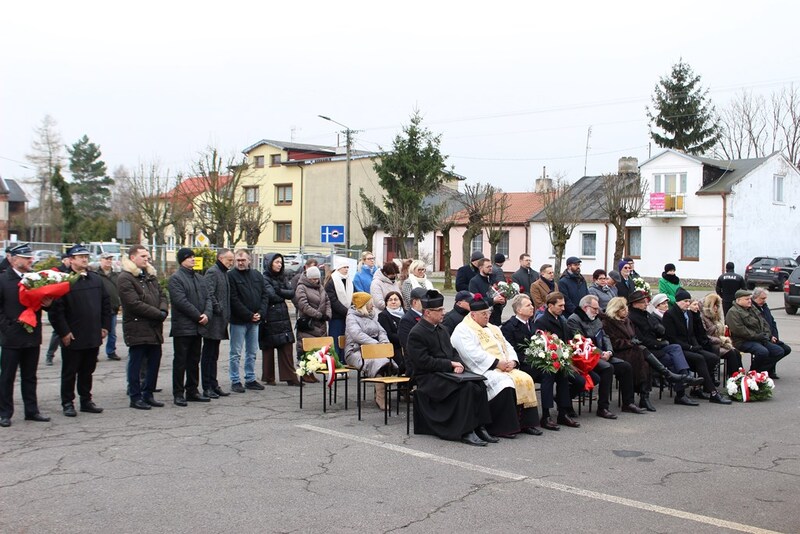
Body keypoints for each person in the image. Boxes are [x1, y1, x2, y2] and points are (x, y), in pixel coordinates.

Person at [405, 289, 496, 446]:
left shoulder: (442, 329)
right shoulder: (416, 333)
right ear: (427, 312)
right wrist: (449, 364)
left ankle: (480, 426)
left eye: (442, 309)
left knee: (479, 383)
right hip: (428, 377)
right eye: (439, 310)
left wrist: (458, 363)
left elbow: (452, 351)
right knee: (466, 387)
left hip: (447, 372)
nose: (443, 312)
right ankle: (466, 431)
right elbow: (423, 362)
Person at [451, 296, 540, 438]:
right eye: (484, 314)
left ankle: (526, 424)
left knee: (526, 378)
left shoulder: (493, 328)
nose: (487, 316)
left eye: (488, 313)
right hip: (483, 369)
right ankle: (504, 428)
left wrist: (512, 361)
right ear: (473, 315)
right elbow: (471, 354)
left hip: (504, 366)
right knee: (505, 384)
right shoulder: (463, 330)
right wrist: (497, 363)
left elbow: (507, 346)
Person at [48, 244, 112, 417]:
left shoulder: (95, 279)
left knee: (87, 370)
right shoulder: (63, 281)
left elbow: (106, 304)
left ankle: (86, 400)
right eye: (80, 256)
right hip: (73, 335)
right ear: (70, 260)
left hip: (92, 334)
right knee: (70, 372)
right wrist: (64, 332)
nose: (84, 259)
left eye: (86, 256)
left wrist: (105, 326)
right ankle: (68, 402)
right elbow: (56, 311)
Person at [501, 295, 573, 431]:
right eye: (528, 305)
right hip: (521, 365)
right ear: (518, 309)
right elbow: (511, 350)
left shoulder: (532, 324)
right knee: (548, 372)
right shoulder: (509, 327)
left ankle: (563, 412)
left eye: (531, 305)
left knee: (561, 370)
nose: (532, 307)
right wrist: (533, 359)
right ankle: (545, 415)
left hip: (536, 362)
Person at [566, 294, 644, 415]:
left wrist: (609, 351)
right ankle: (603, 407)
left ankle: (628, 403)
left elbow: (605, 336)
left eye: (598, 309)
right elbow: (582, 342)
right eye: (594, 309)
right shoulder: (574, 320)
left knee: (626, 367)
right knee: (607, 368)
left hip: (601, 354)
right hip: (585, 357)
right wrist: (600, 353)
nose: (597, 312)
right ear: (585, 308)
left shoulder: (595, 318)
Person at [0, 244, 51, 427]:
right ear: (14, 259)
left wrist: (48, 302)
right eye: (26, 257)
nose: (30, 260)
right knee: (7, 377)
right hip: (11, 337)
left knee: (30, 376)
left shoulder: (34, 278)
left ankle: (32, 410)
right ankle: (4, 413)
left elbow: (43, 304)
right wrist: (8, 328)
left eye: (30, 257)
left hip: (31, 336)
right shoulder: (3, 280)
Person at [628, 290, 703, 407]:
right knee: (673, 359)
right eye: (643, 302)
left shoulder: (646, 314)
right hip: (647, 349)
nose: (646, 304)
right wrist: (659, 343)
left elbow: (661, 330)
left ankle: (684, 379)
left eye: (646, 301)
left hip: (657, 346)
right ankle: (682, 388)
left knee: (675, 348)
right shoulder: (633, 317)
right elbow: (642, 339)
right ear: (634, 303)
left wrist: (659, 332)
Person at [118, 245, 168, 410]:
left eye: (148, 256)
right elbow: (133, 304)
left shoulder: (150, 276)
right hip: (137, 327)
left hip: (154, 328)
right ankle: (136, 396)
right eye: (143, 256)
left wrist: (163, 309)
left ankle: (148, 394)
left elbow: (162, 295)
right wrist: (157, 313)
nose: (147, 259)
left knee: (154, 362)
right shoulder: (125, 278)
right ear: (133, 258)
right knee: (137, 363)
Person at [663, 288, 731, 404]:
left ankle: (698, 388)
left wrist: (695, 346)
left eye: (689, 301)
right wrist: (690, 348)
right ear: (677, 301)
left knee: (712, 357)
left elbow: (693, 334)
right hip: (679, 349)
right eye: (685, 301)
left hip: (691, 346)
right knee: (699, 359)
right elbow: (672, 338)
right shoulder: (670, 315)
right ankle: (713, 393)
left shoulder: (688, 313)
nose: (687, 304)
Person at [167, 248, 210, 406]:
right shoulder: (176, 279)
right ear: (182, 260)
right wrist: (198, 316)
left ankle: (192, 390)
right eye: (189, 257)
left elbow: (208, 298)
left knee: (194, 360)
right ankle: (178, 393)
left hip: (198, 327)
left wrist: (207, 314)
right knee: (180, 361)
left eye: (193, 256)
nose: (193, 259)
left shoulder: (199, 278)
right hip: (183, 327)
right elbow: (180, 301)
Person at [601, 296, 654, 411]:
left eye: (626, 309)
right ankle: (666, 374)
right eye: (623, 309)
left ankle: (644, 398)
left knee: (645, 362)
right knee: (641, 354)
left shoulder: (627, 320)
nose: (626, 311)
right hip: (620, 352)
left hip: (632, 350)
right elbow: (614, 343)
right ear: (616, 310)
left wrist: (633, 340)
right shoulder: (608, 323)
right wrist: (630, 342)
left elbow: (633, 335)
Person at [344, 292, 394, 409]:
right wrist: (376, 344)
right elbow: (357, 335)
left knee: (389, 361)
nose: (373, 306)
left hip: (374, 349)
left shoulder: (372, 315)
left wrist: (384, 343)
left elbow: (381, 331)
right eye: (370, 303)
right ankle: (380, 398)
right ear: (364, 304)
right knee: (378, 362)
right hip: (355, 351)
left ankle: (380, 393)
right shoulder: (351, 317)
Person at [228, 249, 269, 393]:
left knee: (252, 352)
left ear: (249, 260)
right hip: (238, 321)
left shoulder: (257, 275)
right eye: (237, 260)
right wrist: (249, 315)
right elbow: (233, 299)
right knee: (236, 352)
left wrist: (260, 313)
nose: (240, 263)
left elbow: (265, 295)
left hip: (255, 321)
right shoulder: (231, 276)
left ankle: (250, 378)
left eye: (243, 260)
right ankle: (235, 380)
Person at [726, 289, 787, 375]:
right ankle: (753, 372)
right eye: (746, 299)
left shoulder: (752, 308)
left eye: (750, 299)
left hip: (758, 338)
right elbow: (740, 330)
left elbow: (764, 323)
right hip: (742, 341)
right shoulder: (733, 312)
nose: (749, 301)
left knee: (779, 351)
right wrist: (758, 336)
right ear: (738, 300)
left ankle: (758, 371)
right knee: (762, 352)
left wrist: (767, 334)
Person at [199, 248, 233, 399]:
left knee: (214, 355)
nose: (231, 263)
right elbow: (209, 293)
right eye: (229, 260)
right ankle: (207, 386)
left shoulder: (224, 273)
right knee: (208, 355)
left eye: (232, 260)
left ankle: (214, 384)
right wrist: (218, 308)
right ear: (220, 258)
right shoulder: (213, 272)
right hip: (213, 321)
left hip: (221, 321)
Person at [261, 253, 296, 388]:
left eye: (280, 262)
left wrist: (279, 291)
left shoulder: (283, 277)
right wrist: (282, 293)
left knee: (286, 345)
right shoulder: (265, 278)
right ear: (269, 263)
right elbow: (271, 296)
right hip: (269, 316)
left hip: (282, 315)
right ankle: (268, 377)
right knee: (269, 347)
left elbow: (291, 293)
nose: (279, 265)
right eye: (276, 262)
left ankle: (290, 376)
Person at [293, 265, 330, 381]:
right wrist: (318, 314)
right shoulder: (301, 287)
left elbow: (327, 301)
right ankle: (304, 373)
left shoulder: (320, 287)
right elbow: (303, 305)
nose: (315, 281)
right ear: (308, 278)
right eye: (313, 279)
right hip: (308, 322)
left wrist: (328, 314)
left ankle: (311, 372)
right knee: (306, 348)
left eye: (317, 278)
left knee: (316, 349)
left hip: (320, 323)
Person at [701, 293, 744, 378]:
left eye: (717, 306)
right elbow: (704, 335)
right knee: (731, 353)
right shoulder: (702, 316)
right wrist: (719, 337)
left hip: (718, 342)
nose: (716, 308)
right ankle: (734, 378)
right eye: (714, 306)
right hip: (709, 344)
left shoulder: (715, 315)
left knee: (736, 352)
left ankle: (739, 376)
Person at [751, 287, 792, 378]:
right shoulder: (752, 308)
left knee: (786, 349)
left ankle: (768, 369)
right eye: (762, 298)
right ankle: (758, 371)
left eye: (765, 298)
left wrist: (774, 336)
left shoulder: (765, 307)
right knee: (777, 351)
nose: (764, 301)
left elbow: (772, 323)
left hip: (770, 337)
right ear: (755, 297)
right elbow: (756, 327)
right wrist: (769, 337)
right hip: (761, 338)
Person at [44, 254, 72, 366]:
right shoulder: (55, 271)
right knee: (57, 333)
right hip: (56, 304)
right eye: (67, 259)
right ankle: (49, 355)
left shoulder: (73, 272)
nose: (69, 261)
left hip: (68, 306)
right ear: (63, 260)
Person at [96, 252, 122, 361]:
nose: (108, 261)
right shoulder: (96, 275)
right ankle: (95, 352)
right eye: (106, 259)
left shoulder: (116, 276)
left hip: (113, 308)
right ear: (101, 260)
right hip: (99, 309)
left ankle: (111, 351)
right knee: (97, 332)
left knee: (112, 333)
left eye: (110, 259)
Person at [325, 261, 352, 356]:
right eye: (344, 267)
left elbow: (352, 296)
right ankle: (336, 362)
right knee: (336, 341)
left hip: (347, 317)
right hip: (336, 317)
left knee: (345, 341)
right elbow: (333, 301)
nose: (346, 269)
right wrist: (347, 312)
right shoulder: (331, 281)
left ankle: (344, 360)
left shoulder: (348, 280)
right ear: (338, 268)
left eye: (347, 267)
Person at [468, 257, 506, 326]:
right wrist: (493, 300)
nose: (490, 268)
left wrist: (503, 299)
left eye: (491, 266)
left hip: (496, 317)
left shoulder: (493, 279)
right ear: (480, 268)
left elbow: (501, 293)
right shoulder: (474, 281)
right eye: (488, 267)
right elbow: (476, 301)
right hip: (483, 319)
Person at [377, 290, 405, 374]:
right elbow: (388, 334)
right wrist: (404, 339)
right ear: (386, 302)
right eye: (390, 300)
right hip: (393, 346)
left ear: (400, 301)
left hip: (408, 345)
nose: (393, 302)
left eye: (396, 299)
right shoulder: (383, 315)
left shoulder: (407, 313)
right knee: (404, 364)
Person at [398, 287, 427, 365]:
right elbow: (408, 346)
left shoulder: (428, 317)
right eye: (424, 300)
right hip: (415, 363)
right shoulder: (406, 320)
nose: (427, 303)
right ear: (415, 302)